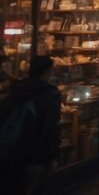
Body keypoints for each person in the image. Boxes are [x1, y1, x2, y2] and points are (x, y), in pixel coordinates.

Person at [0, 56, 61, 194]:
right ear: (46, 72)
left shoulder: (16, 89)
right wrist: (53, 156)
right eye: (51, 71)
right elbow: (51, 127)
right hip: (37, 152)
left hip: (12, 148)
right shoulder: (50, 94)